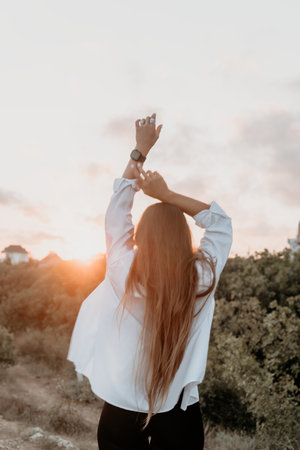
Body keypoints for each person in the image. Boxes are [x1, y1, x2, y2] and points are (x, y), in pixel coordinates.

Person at [67, 113, 233, 450]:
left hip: (121, 407)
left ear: (141, 236)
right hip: (180, 408)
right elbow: (220, 224)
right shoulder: (201, 279)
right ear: (182, 236)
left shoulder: (124, 271)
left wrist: (140, 151)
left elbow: (117, 210)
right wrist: (166, 195)